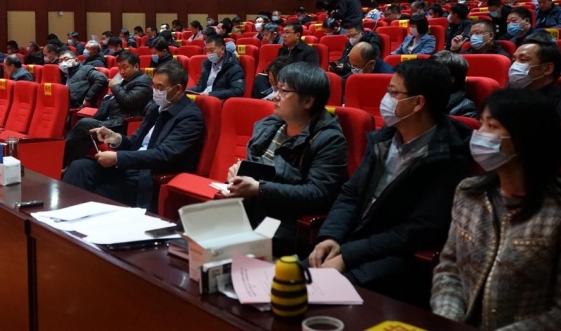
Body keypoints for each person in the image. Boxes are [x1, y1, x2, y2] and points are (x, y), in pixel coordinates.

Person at [308, 59, 473, 304]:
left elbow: (416, 230)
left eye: (393, 93)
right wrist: (330, 237)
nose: (385, 99)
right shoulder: (383, 139)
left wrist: (348, 256)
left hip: (395, 260)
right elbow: (351, 195)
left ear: (418, 103)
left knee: (313, 299)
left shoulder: (450, 156)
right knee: (286, 280)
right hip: (350, 243)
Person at [431, 89, 561, 330]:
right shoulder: (469, 192)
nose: (480, 134)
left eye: (492, 126)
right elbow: (449, 269)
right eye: (481, 124)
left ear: (526, 138)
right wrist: (450, 320)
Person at [224, 63, 348, 256]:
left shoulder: (329, 139)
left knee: (226, 254)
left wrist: (258, 188)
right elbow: (256, 167)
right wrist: (239, 174)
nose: (274, 96)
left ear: (307, 101)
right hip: (248, 210)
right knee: (191, 232)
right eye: (276, 88)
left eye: (283, 91)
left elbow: (318, 193)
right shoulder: (270, 125)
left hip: (282, 223)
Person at [62, 61, 205, 208]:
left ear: (178, 89)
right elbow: (136, 141)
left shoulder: (190, 117)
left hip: (149, 174)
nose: (155, 91)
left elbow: (163, 154)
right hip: (131, 166)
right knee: (79, 167)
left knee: (98, 192)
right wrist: (115, 138)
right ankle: (63, 214)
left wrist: (118, 158)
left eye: (160, 87)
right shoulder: (156, 108)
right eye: (154, 86)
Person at [62, 51, 153, 167]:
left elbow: (129, 100)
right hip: (112, 119)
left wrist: (115, 86)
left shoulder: (143, 81)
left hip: (121, 124)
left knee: (84, 124)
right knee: (83, 134)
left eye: (125, 67)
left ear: (136, 66)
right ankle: (72, 164)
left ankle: (61, 158)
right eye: (119, 68)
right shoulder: (127, 80)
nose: (122, 71)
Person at [510, 39, 561, 124]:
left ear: (547, 68)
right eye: (514, 60)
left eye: (522, 60)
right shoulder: (507, 98)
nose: (514, 66)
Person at [186, 35, 244, 100]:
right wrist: (186, 91)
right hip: (202, 98)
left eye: (211, 50)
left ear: (222, 49)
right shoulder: (207, 65)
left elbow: (237, 91)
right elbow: (200, 87)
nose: (209, 53)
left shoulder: (234, 68)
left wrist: (210, 94)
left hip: (218, 100)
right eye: (207, 50)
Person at [429, 51, 478, 119]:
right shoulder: (425, 99)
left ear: (450, 79)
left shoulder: (466, 109)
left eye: (431, 74)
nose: (426, 77)